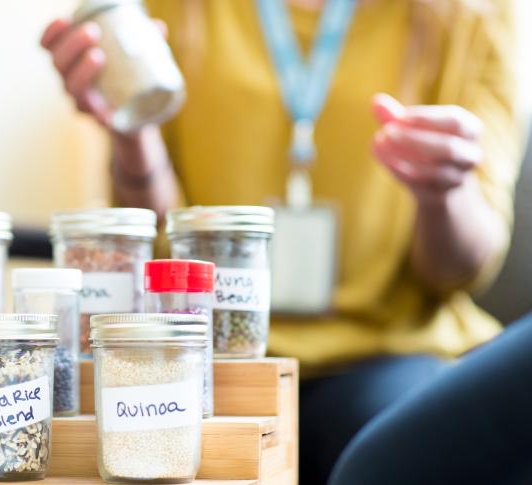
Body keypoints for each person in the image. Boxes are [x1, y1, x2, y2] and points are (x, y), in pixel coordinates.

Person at [41, 0, 523, 483]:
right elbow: (167, 249)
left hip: (391, 354)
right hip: (210, 358)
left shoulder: (474, 13)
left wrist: (444, 193)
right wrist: (133, 126)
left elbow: (461, 272)